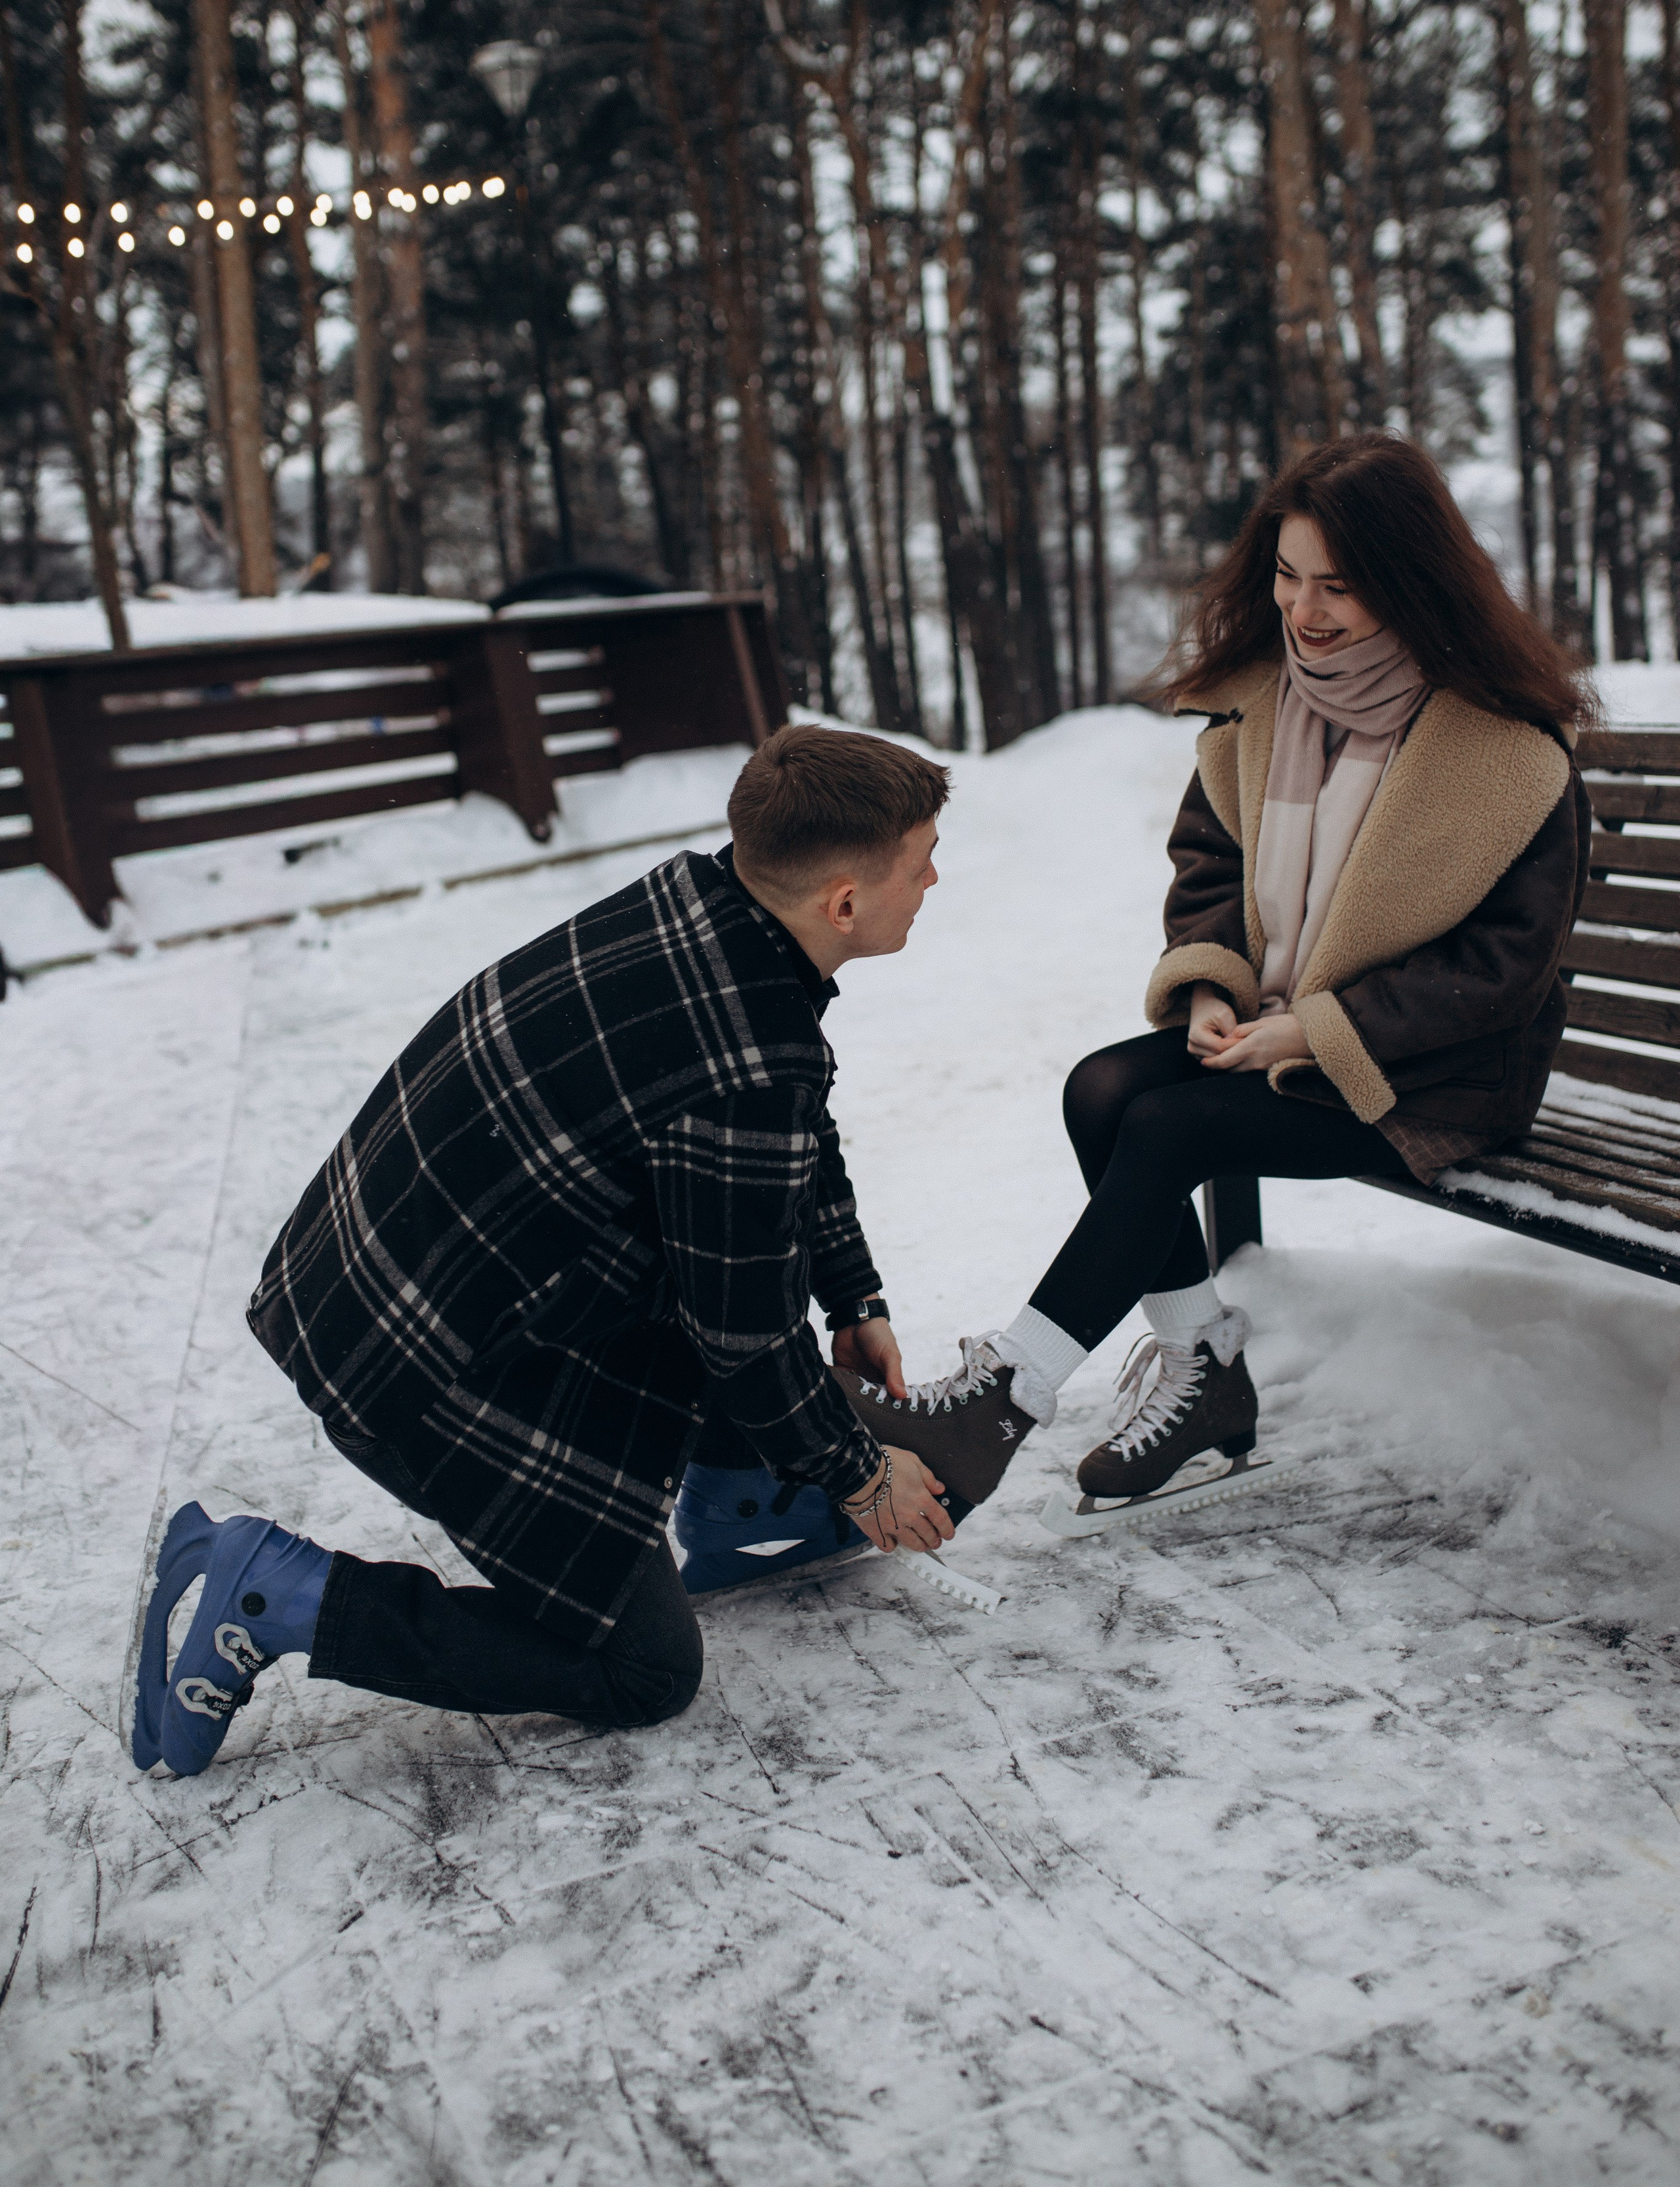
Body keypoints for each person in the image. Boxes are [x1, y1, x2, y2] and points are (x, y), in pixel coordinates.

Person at [131, 725, 956, 1778]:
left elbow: (788, 1145)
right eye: (921, 858)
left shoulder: (704, 910)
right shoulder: (746, 1056)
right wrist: (857, 1474)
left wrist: (851, 1294)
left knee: (730, 1237)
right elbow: (743, 1330)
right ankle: (279, 1597)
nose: (935, 877)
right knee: (644, 1671)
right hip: (419, 1366)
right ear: (844, 901)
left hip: (383, 1284)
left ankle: (736, 1487)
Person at [836, 431, 1595, 1516]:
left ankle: (1007, 1397)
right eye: (1288, 576)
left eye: (1342, 585)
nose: (1307, 610)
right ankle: (1205, 1375)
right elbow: (1212, 867)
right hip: (1286, 1028)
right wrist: (1215, 988)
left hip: (1437, 1073)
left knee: (1170, 1127)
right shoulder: (1265, 707)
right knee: (1101, 1087)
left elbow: (1506, 968)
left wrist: (1318, 1031)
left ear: (1414, 579)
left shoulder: (1507, 751)